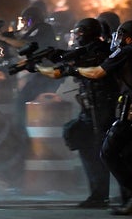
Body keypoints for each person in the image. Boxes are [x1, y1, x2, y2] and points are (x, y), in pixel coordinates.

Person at [66, 20, 132, 216]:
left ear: (129, 36)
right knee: (126, 154)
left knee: (109, 152)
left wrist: (75, 69)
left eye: (121, 36)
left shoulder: (127, 51)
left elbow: (99, 72)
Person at [36, 18, 118, 208]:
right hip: (91, 108)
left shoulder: (98, 51)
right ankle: (100, 193)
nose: (76, 37)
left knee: (100, 150)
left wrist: (40, 68)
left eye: (78, 33)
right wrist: (48, 55)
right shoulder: (89, 49)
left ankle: (110, 193)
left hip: (101, 110)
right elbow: (67, 56)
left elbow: (68, 68)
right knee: (80, 139)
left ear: (85, 33)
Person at [0, 5, 61, 129]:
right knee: (26, 101)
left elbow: (25, 44)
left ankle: (22, 135)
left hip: (45, 74)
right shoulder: (35, 30)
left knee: (22, 102)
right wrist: (4, 38)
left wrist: (3, 38)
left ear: (32, 19)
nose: (24, 24)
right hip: (41, 73)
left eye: (26, 20)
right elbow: (18, 40)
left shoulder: (43, 28)